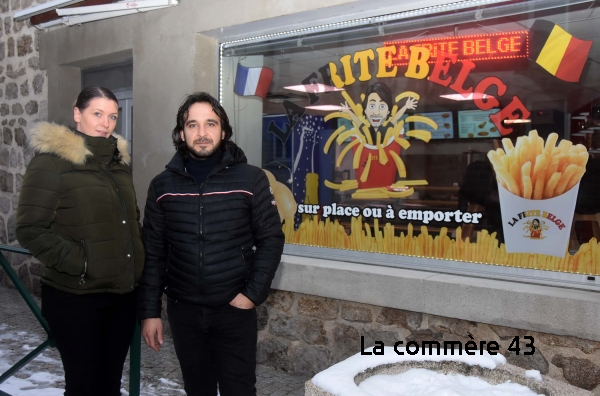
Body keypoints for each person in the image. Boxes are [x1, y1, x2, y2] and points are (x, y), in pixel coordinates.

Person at [138, 92, 284, 396]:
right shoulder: (162, 186)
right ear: (181, 133)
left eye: (210, 124)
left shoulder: (251, 179)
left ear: (224, 131)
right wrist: (150, 312)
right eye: (192, 125)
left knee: (239, 390)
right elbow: (153, 253)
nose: (202, 134)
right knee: (197, 389)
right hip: (184, 312)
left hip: (234, 310)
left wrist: (251, 295)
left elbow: (271, 239)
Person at [15, 86, 144, 396]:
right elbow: (30, 228)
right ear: (77, 114)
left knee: (110, 385)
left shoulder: (118, 166)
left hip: (122, 297)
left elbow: (130, 223)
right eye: (97, 114)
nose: (106, 123)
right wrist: (84, 262)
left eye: (112, 116)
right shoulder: (51, 163)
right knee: (83, 387)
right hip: (76, 298)